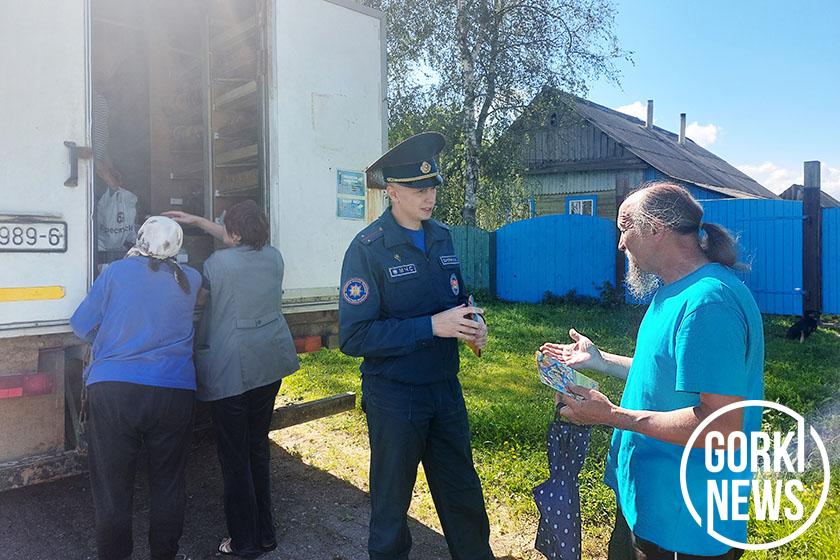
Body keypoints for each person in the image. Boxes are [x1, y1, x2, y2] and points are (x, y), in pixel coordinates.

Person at [540, 182, 765, 560]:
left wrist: (611, 416)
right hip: (648, 498)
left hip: (685, 521)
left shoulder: (708, 303)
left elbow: (720, 428)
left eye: (625, 227)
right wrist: (601, 361)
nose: (620, 243)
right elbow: (668, 378)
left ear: (656, 228)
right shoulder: (673, 291)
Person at [339, 132, 494, 560]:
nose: (430, 197)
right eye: (419, 189)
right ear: (392, 192)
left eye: (433, 188)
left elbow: (455, 301)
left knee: (463, 496)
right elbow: (355, 337)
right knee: (391, 507)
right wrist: (431, 326)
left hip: (444, 389)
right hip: (395, 395)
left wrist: (471, 324)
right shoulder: (367, 249)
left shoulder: (442, 236)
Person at [164, 201, 299, 558]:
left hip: (232, 369)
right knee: (257, 449)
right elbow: (235, 239)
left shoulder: (215, 264)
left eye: (227, 227)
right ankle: (265, 534)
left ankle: (243, 542)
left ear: (234, 234)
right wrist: (194, 219)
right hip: (268, 364)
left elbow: (199, 296)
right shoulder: (274, 257)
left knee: (234, 457)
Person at [70, 216, 202, 560]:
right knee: (168, 482)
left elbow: (80, 324)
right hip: (175, 391)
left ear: (141, 239)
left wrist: (109, 339)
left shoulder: (116, 272)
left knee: (113, 488)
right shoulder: (191, 278)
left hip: (114, 390)